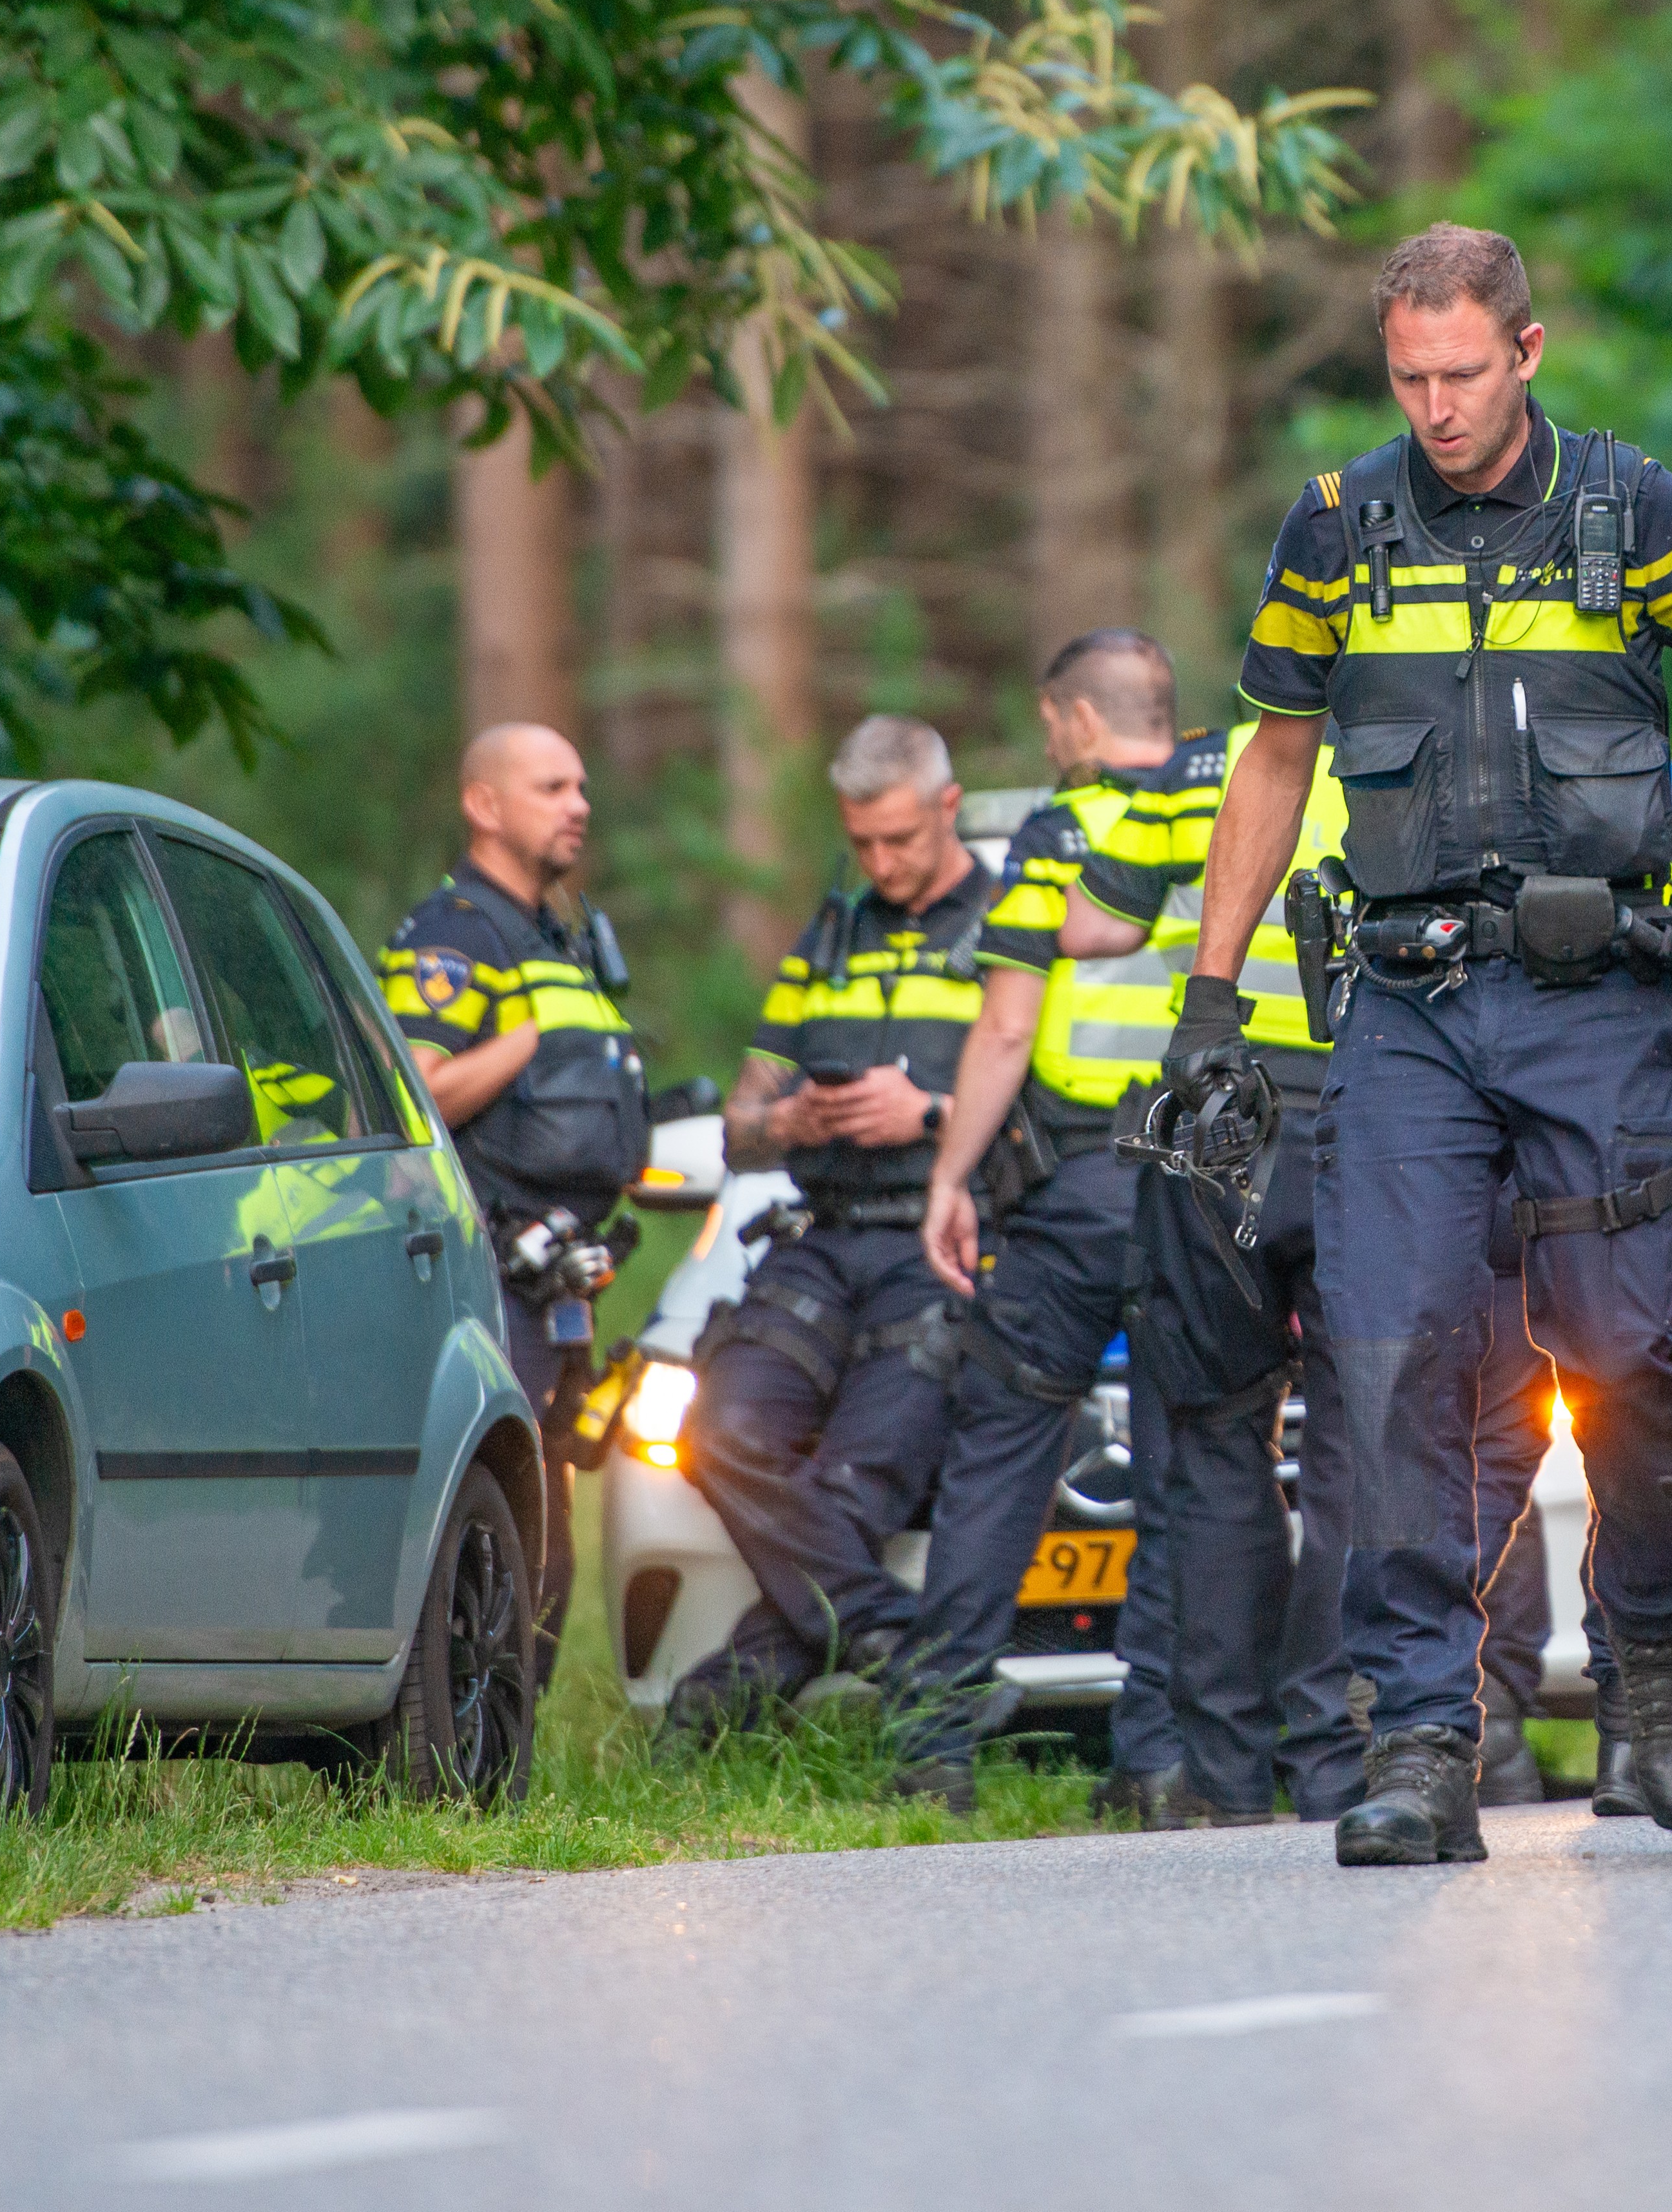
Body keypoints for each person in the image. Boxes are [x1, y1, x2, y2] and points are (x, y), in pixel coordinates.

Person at [1171, 221, 1672, 1867]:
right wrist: (1213, 988)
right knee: (1387, 1364)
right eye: (1409, 379)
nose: (1438, 406)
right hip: (1402, 1007)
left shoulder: (1630, 507)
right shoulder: (1335, 525)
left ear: (1526, 352)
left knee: (1627, 1358)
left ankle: (1655, 1680)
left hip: (1598, 1003)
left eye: (1464, 373)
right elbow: (1270, 756)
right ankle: (1416, 1740)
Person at [902, 632, 1222, 1818]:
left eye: (1049, 727)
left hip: (1077, 1193)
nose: (1048, 746)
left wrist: (950, 1177)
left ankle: (935, 1749)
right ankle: (1156, 1759)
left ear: (1080, 722)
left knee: (1000, 1455)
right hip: (1206, 1186)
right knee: (1185, 1471)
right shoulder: (1231, 809)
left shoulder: (1061, 835)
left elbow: (1001, 1029)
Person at [665, 718, 1000, 1741]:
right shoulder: (827, 938)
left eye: (899, 838)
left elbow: (1064, 1100)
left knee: (850, 1484)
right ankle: (909, 1653)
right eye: (862, 843)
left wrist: (931, 1114)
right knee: (714, 1436)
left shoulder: (1017, 926)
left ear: (948, 807)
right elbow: (738, 1126)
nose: (881, 862)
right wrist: (791, 1120)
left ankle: (722, 1698)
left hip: (939, 1243)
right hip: (817, 1240)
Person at [1059, 716, 1366, 1827]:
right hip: (1375, 1123)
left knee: (1212, 1453)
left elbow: (1093, 924)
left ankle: (1227, 1776)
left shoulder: (1206, 760)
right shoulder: (1426, 725)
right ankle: (1338, 1766)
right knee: (1358, 1461)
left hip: (1217, 1123)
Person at [378, 721, 646, 1687]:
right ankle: (460, 1763)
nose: (578, 803)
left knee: (548, 1527)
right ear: (483, 806)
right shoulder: (458, 932)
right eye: (551, 787)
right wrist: (524, 1044)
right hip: (485, 1271)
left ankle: (502, 1766)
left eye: (580, 785)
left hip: (556, 1280)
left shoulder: (553, 934)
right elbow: (414, 1092)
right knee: (499, 1518)